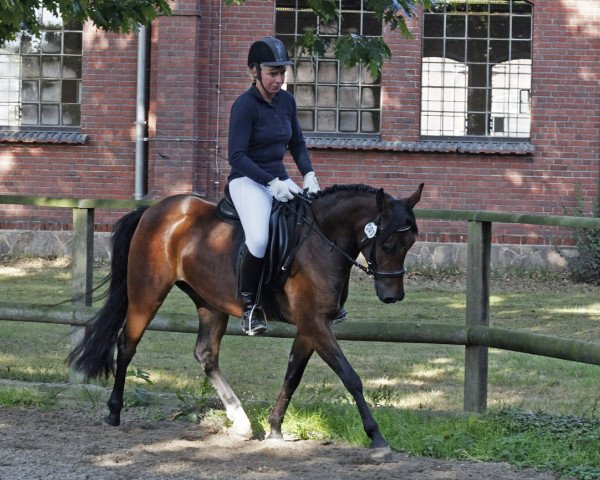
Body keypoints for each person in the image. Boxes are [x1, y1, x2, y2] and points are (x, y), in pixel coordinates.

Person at [227, 36, 321, 335]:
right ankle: (249, 307)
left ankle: (306, 295)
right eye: (272, 73)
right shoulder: (244, 106)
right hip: (246, 180)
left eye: (282, 73)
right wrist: (270, 181)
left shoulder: (287, 101)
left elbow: (296, 142)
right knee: (258, 240)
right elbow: (236, 156)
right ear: (254, 72)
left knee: (308, 222)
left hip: (277, 178)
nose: (279, 79)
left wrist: (308, 175)